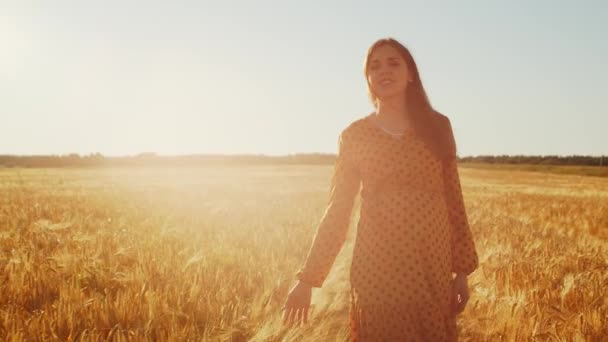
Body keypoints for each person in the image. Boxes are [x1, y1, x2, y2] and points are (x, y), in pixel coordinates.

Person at [282, 37, 479, 341]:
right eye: (374, 66)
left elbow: (454, 199)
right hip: (377, 269)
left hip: (432, 266)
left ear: (410, 73)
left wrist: (462, 271)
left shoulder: (437, 127)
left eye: (393, 63)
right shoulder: (355, 135)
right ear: (368, 79)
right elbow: (338, 208)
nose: (383, 71)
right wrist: (308, 279)